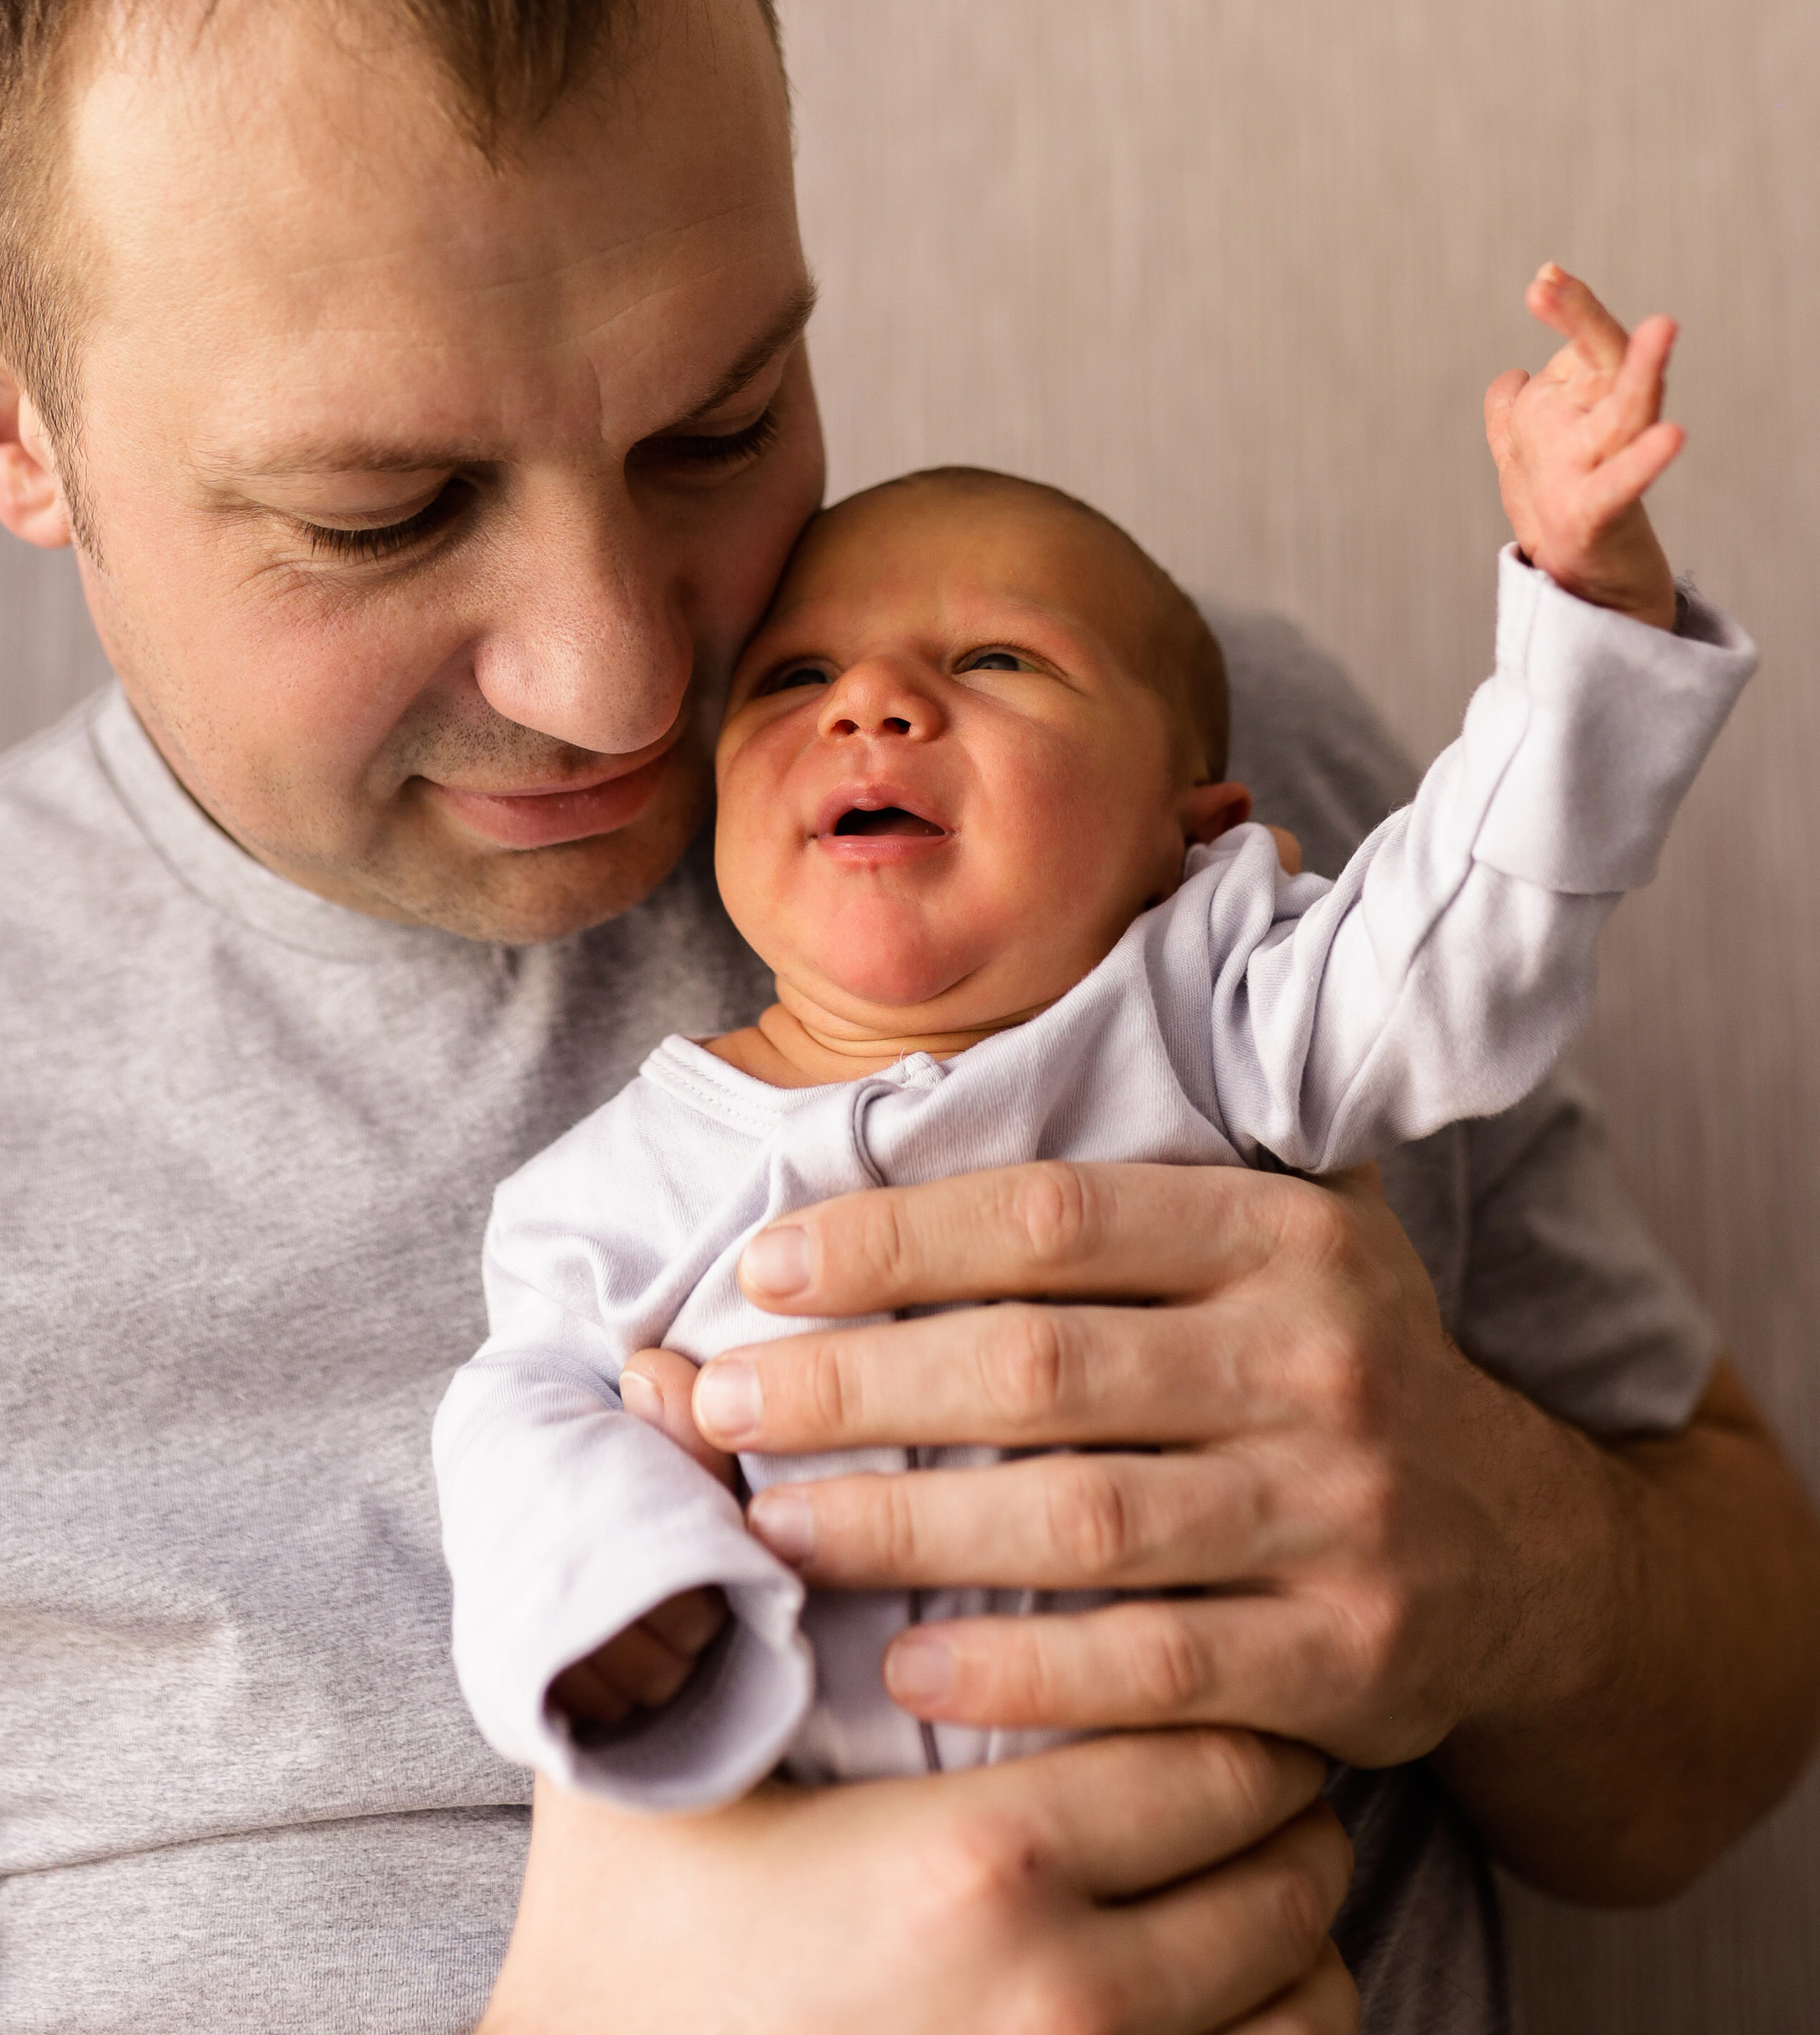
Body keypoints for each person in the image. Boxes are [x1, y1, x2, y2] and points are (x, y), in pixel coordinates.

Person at [0, 0, 1814, 2035]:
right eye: (385, 512)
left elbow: (1719, 1714)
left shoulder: (1151, 779)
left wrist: (1514, 1559)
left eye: (719, 425)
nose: (622, 680)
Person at [434, 413, 1755, 1808]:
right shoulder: (610, 1193)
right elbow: (520, 1418)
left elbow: (1468, 932)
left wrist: (1585, 627)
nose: (868, 702)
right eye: (794, 676)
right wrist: (620, 1599)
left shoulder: (1215, 1025)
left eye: (997, 660)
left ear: (1196, 834)